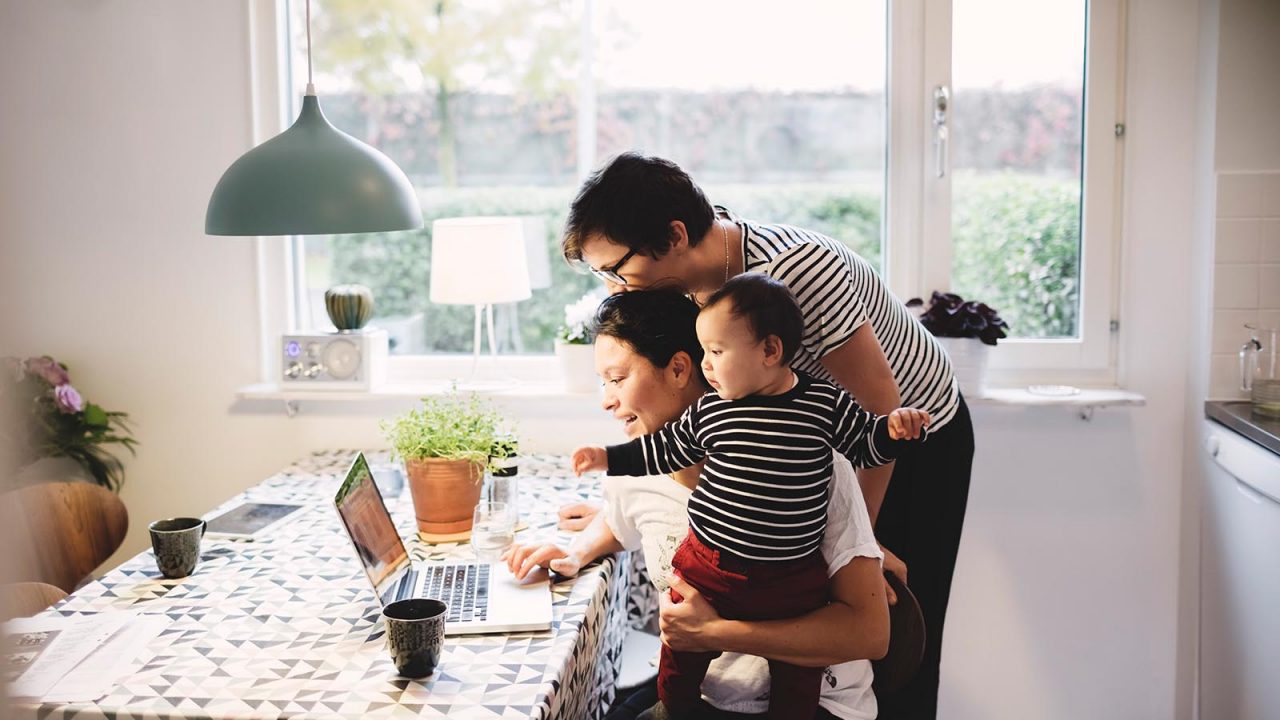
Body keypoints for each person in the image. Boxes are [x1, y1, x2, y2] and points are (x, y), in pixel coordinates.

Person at [561, 152, 976, 720]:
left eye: (618, 267)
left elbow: (879, 406)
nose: (616, 285)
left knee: (897, 631)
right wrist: (625, 509)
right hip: (825, 434)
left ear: (675, 235)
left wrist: (861, 544)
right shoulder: (691, 282)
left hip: (910, 433)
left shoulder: (796, 271)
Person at [505, 289, 891, 720]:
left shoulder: (805, 458)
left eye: (618, 379)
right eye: (602, 383)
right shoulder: (638, 466)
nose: (606, 400)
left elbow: (870, 635)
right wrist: (576, 552)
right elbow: (624, 521)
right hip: (704, 694)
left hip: (814, 703)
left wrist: (715, 633)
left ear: (678, 368)